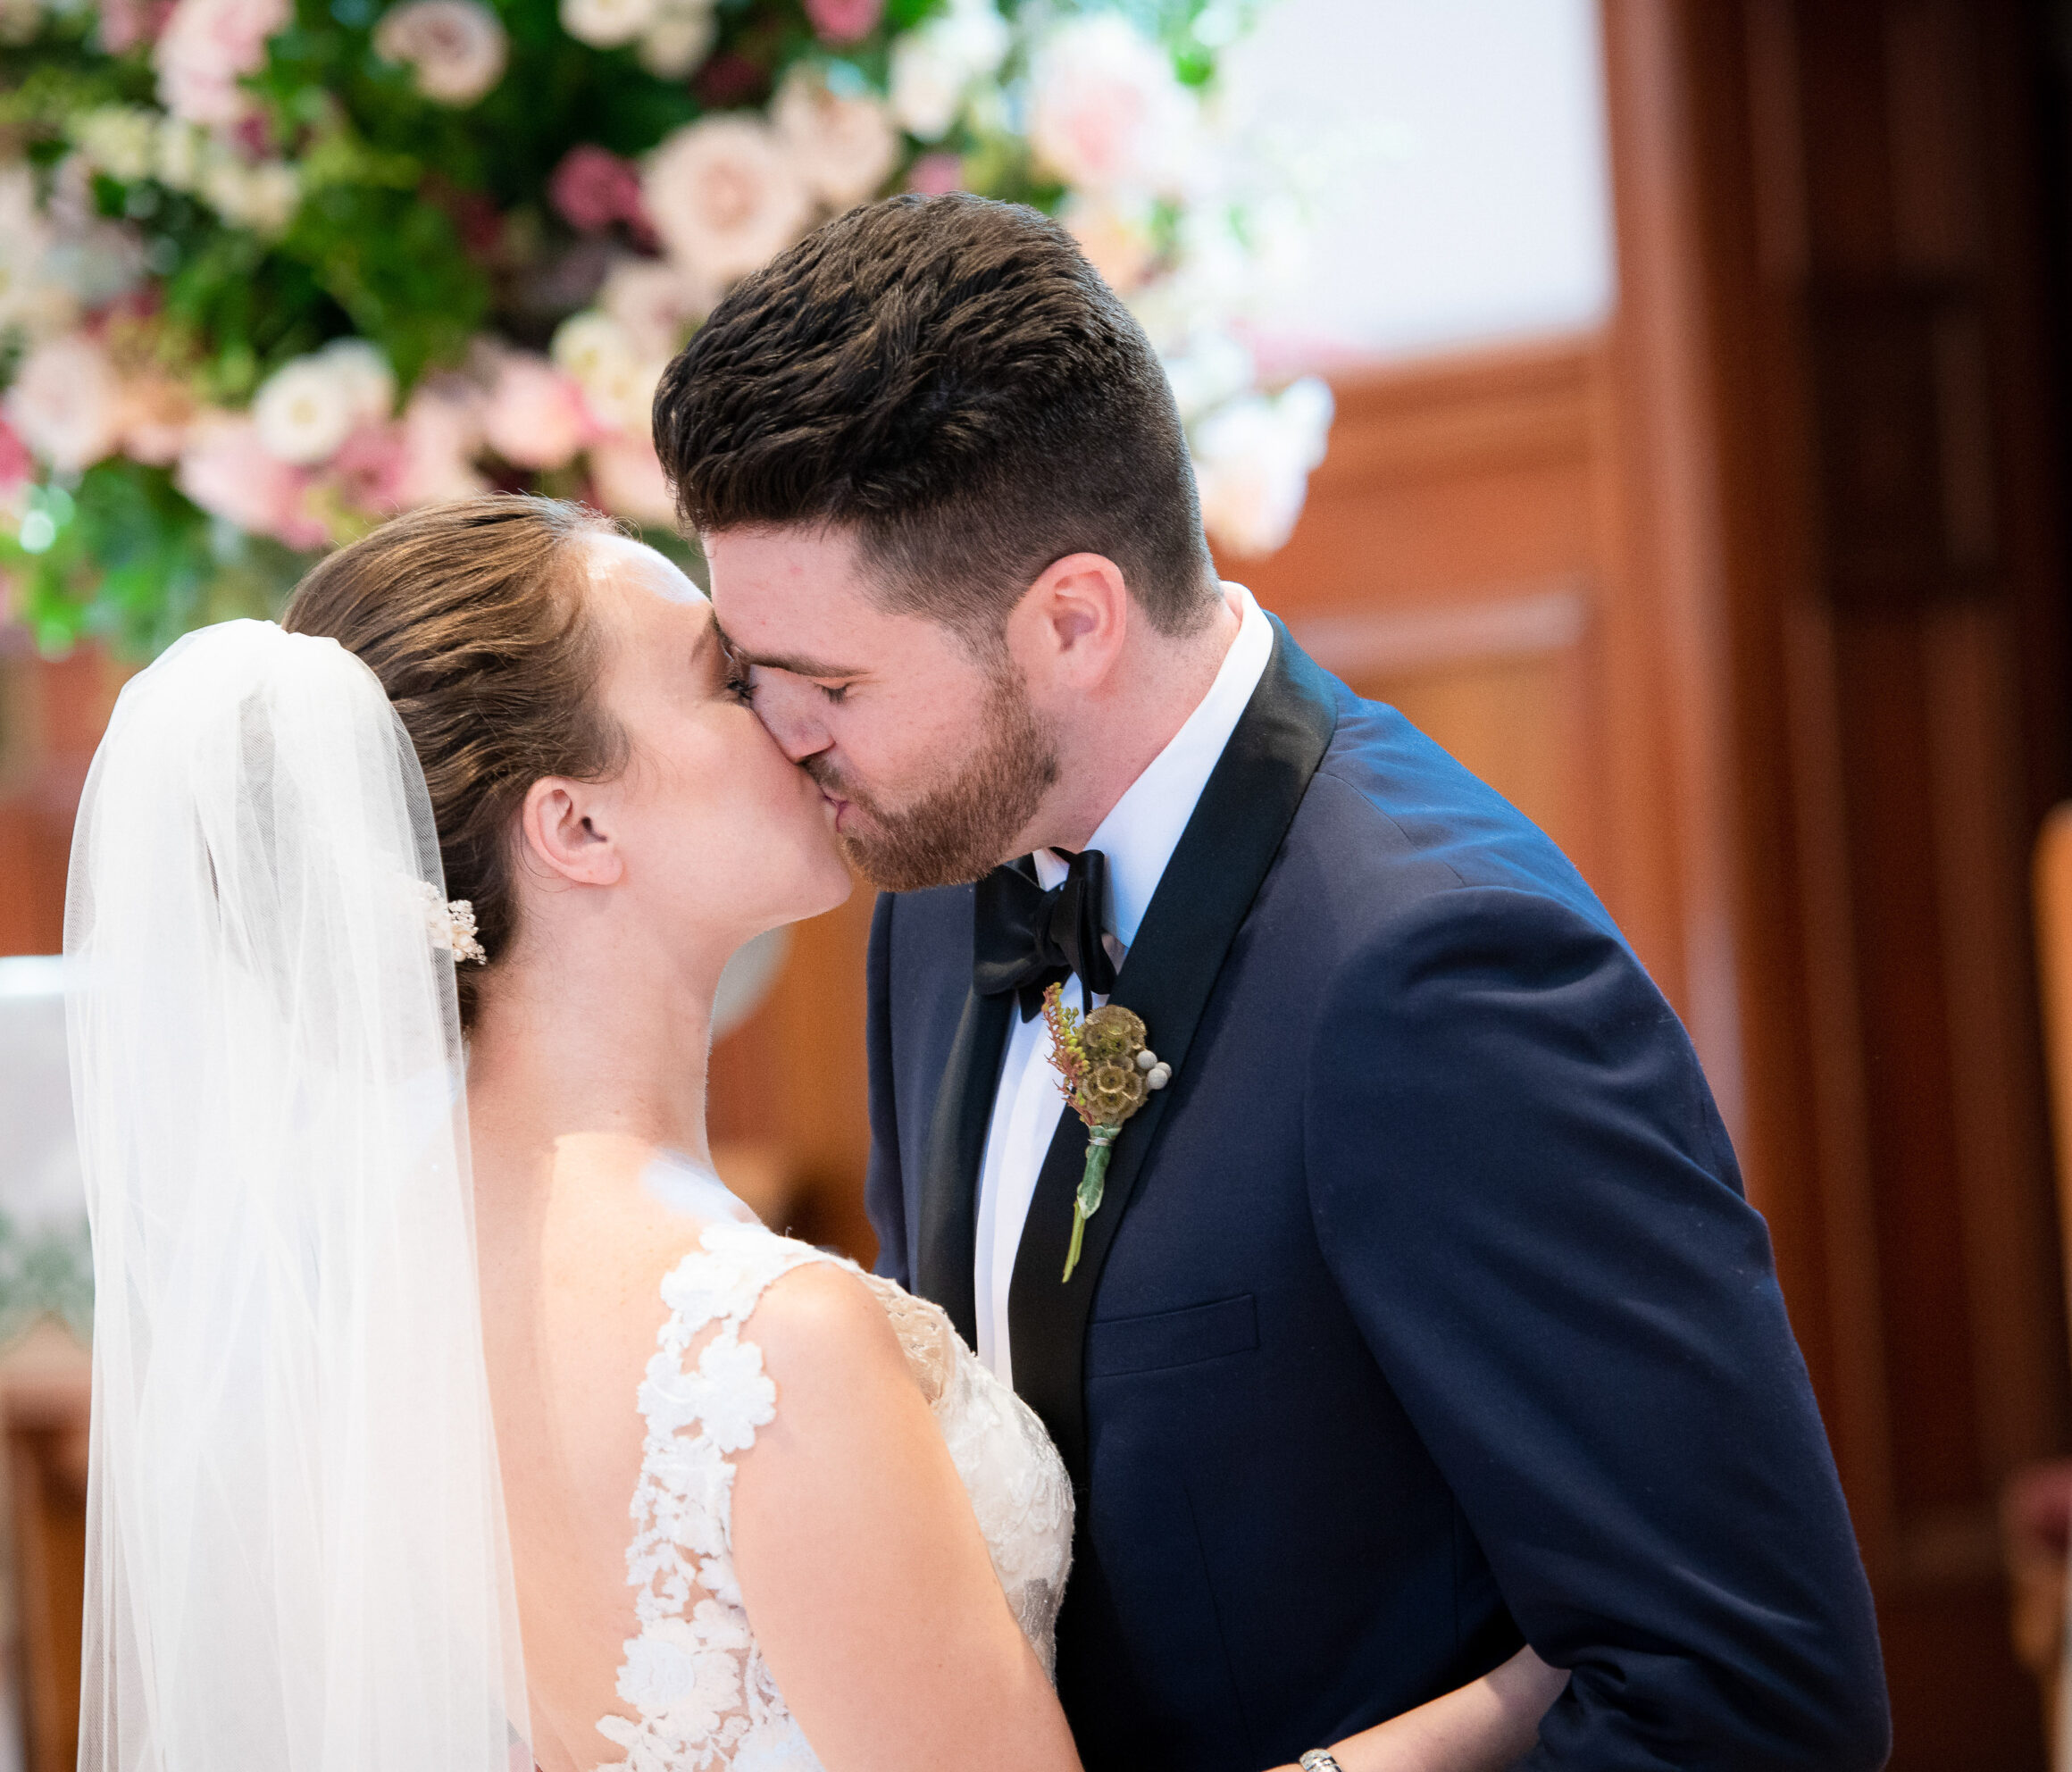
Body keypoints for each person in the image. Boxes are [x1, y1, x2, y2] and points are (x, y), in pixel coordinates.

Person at [651, 192, 1893, 1770]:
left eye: (828, 683)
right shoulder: (940, 883)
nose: (784, 738)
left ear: (1073, 622)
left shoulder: (1440, 974)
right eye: (756, 676)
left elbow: (1758, 1692)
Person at [66, 497, 1563, 1772]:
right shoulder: (767, 1349)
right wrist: (1507, 1703)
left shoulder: (372, 1302)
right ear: (576, 827)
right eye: (728, 681)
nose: (796, 718)